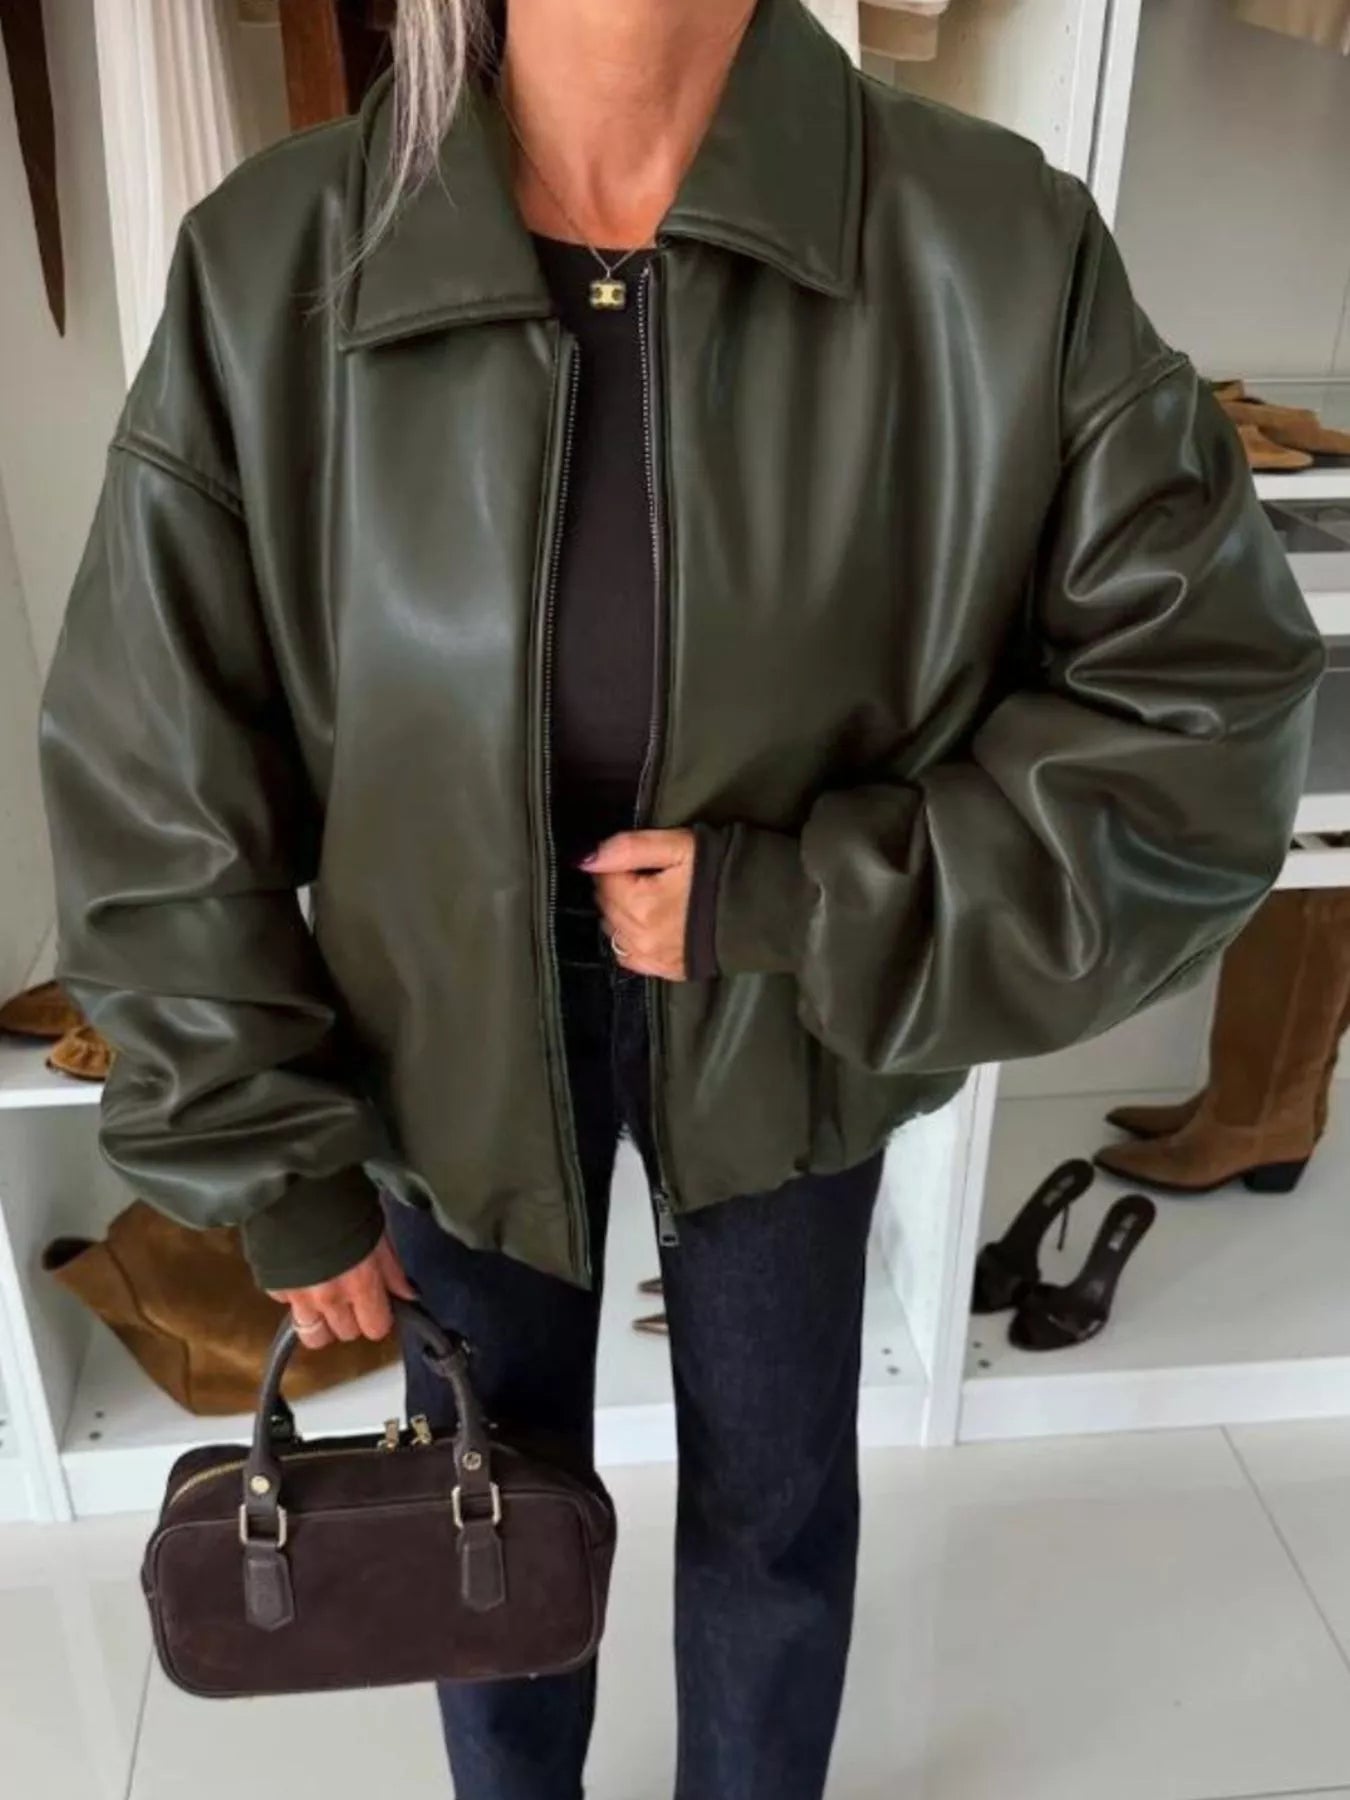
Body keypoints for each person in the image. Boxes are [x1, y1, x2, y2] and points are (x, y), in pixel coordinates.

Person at [39, 0, 1322, 1795]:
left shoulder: (986, 239)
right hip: (438, 1026)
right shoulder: (282, 257)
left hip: (784, 1005)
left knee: (774, 1505)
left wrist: (804, 902)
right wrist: (267, 1157)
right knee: (474, 1511)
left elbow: (1202, 702)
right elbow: (157, 754)